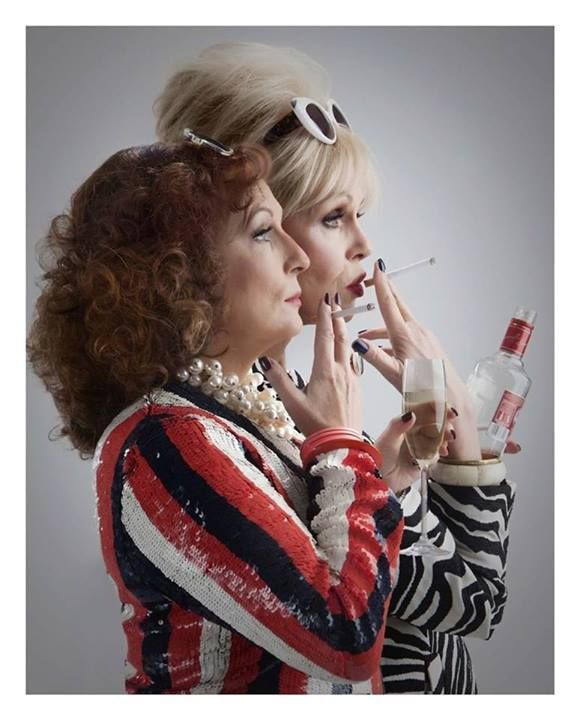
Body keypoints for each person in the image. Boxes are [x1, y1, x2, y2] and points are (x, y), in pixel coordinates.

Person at [153, 41, 518, 694]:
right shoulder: (218, 435)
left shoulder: (288, 402)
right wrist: (456, 429)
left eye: (360, 215)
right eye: (333, 217)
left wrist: (418, 461)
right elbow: (473, 603)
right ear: (252, 232)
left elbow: (449, 606)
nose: (364, 245)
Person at [25, 135, 445, 693]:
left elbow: (322, 560)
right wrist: (343, 442)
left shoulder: (241, 417)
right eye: (264, 231)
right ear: (177, 273)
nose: (298, 257)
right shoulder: (163, 444)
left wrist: (378, 477)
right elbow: (346, 638)